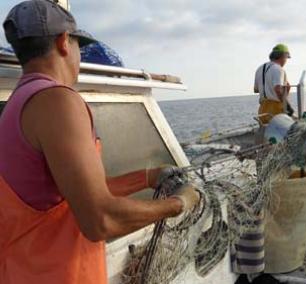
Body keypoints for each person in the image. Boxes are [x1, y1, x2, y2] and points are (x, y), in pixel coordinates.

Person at [0, 1, 200, 283]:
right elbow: (101, 219)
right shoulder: (57, 101)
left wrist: (147, 177)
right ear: (63, 42)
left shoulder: (16, 104)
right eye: (78, 44)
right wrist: (179, 203)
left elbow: (76, 195)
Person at [254, 44, 293, 124]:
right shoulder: (278, 68)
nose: (286, 61)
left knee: (268, 133)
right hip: (275, 110)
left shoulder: (259, 69)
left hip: (262, 110)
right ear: (283, 56)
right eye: (286, 58)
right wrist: (288, 107)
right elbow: (278, 89)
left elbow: (256, 90)